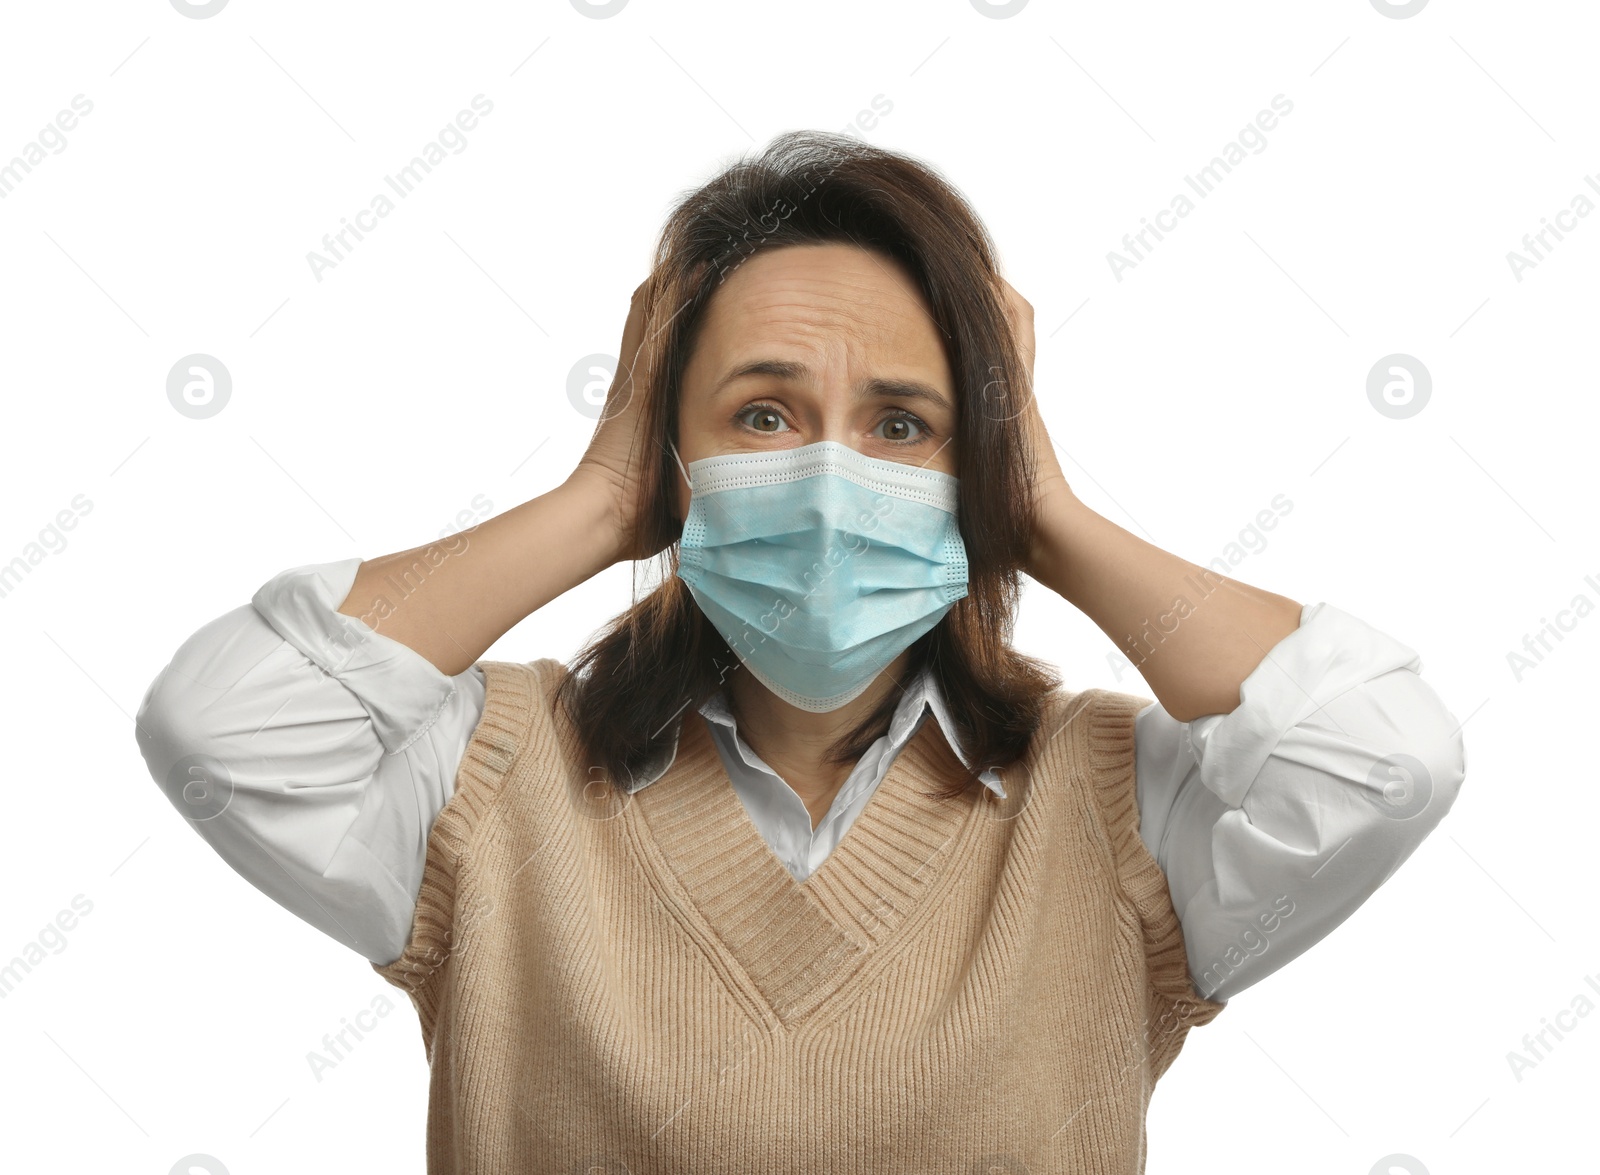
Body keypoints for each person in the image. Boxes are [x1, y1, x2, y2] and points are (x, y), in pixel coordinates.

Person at [134, 130, 1467, 1173]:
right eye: (764, 413)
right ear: (676, 446)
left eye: (902, 426)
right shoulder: (486, 782)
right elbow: (219, 730)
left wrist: (1045, 514)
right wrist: (601, 501)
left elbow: (1386, 763)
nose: (832, 481)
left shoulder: (1123, 807)